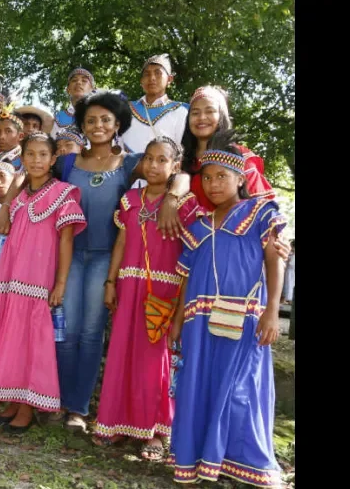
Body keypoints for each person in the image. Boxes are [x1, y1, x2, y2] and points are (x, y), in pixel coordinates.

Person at [49, 90, 194, 433]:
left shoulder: (132, 162)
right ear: (81, 126)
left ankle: (78, 409)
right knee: (66, 332)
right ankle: (56, 398)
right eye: (90, 120)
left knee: (90, 332)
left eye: (105, 120)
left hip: (106, 258)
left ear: (118, 125)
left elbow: (180, 171)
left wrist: (173, 196)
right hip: (69, 255)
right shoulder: (67, 163)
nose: (97, 126)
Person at [166, 146, 286, 488]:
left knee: (240, 389)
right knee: (199, 387)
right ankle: (204, 463)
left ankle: (247, 465)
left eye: (222, 176)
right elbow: (186, 277)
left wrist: (272, 311)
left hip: (246, 317)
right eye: (207, 177)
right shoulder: (199, 226)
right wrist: (177, 321)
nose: (214, 183)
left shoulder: (260, 211)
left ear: (240, 179)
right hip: (199, 321)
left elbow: (274, 259)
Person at [0, 132, 86, 432]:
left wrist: (60, 284)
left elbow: (65, 241)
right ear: (22, 158)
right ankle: (11, 400)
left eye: (43, 155)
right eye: (30, 154)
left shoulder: (64, 192)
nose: (36, 160)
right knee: (10, 333)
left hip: (37, 277)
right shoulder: (20, 195)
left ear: (53, 158)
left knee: (30, 339)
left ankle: (27, 408)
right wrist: (7, 205)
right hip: (10, 275)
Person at [93, 137, 201, 460]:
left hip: (164, 289)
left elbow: (189, 253)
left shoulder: (186, 204)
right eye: (149, 159)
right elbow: (122, 243)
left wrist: (182, 302)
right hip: (129, 284)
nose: (154, 165)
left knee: (156, 361)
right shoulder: (129, 200)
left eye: (162, 160)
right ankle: (116, 423)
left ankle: (155, 431)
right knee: (123, 353)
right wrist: (111, 281)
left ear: (175, 166)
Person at [182, 85, 275, 210]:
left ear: (221, 116)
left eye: (210, 111)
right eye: (195, 113)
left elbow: (263, 212)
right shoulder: (179, 161)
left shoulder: (240, 157)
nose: (202, 118)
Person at [121, 54, 190, 189]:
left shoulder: (183, 111)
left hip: (166, 185)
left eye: (158, 73)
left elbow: (187, 152)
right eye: (147, 74)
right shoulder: (124, 109)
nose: (152, 78)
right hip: (128, 182)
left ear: (170, 79)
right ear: (141, 81)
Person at [49, 67, 95, 138]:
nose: (79, 82)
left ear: (92, 89)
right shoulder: (58, 118)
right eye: (74, 80)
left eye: (84, 80)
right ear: (68, 89)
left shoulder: (100, 114)